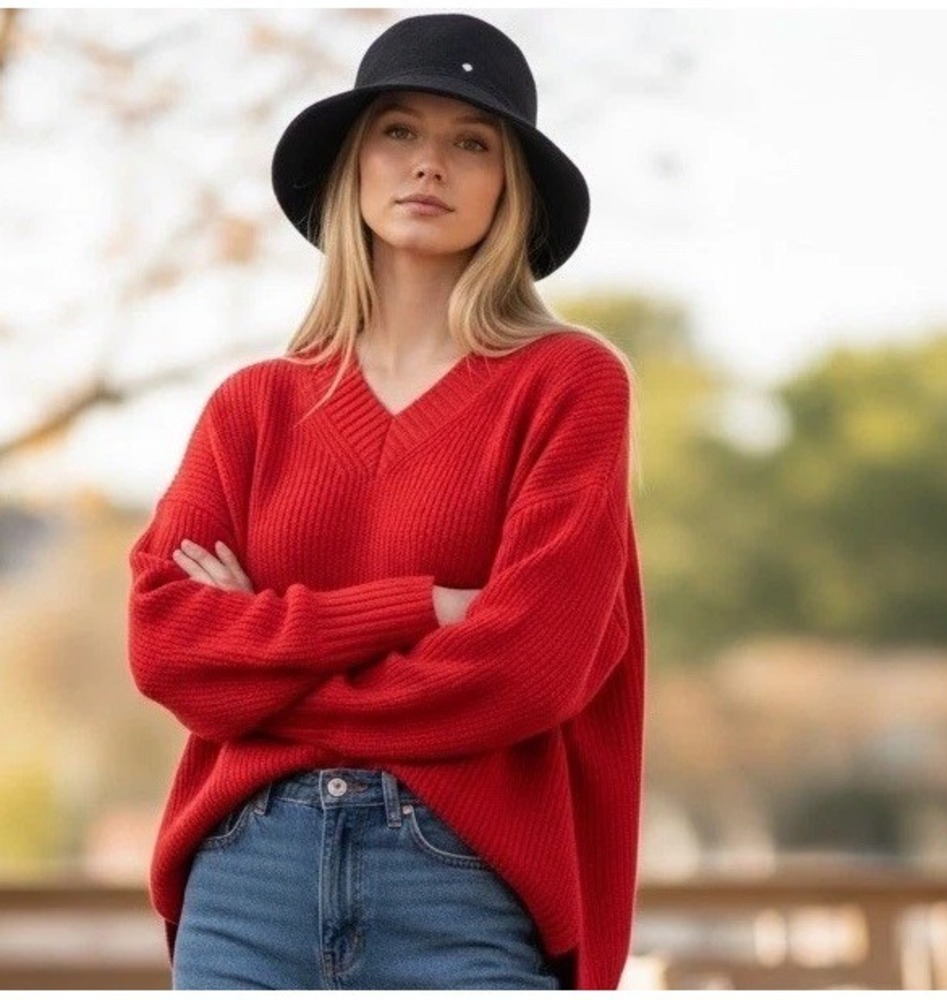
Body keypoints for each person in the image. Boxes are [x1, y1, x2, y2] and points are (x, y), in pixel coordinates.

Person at [127, 11, 647, 991]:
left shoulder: (569, 386)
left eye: (470, 143)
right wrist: (420, 608)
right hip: (248, 884)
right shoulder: (252, 409)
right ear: (354, 167)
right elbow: (167, 649)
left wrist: (269, 677)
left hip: (456, 884)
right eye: (398, 132)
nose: (429, 166)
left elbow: (532, 668)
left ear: (509, 186)